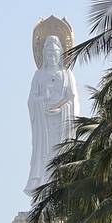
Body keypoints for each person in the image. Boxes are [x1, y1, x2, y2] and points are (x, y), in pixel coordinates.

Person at [24, 34, 79, 196]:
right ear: (44, 56)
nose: (53, 57)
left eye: (56, 54)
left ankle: (62, 188)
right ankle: (43, 188)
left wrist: (62, 109)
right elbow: (31, 100)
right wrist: (44, 99)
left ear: (61, 53)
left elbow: (73, 99)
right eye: (49, 54)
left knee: (61, 154)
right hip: (44, 122)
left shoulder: (67, 74)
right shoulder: (39, 75)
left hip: (63, 120)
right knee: (45, 155)